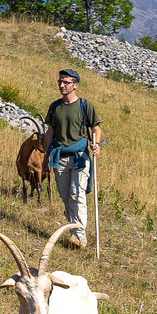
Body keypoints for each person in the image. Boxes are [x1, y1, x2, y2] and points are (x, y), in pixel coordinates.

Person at [43, 68, 102, 248]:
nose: (62, 85)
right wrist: (46, 157)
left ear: (75, 85)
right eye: (60, 82)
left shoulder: (85, 105)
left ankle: (79, 236)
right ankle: (74, 231)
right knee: (66, 197)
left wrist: (96, 144)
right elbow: (50, 132)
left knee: (77, 195)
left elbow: (96, 129)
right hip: (59, 158)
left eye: (66, 82)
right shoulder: (55, 107)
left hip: (80, 158)